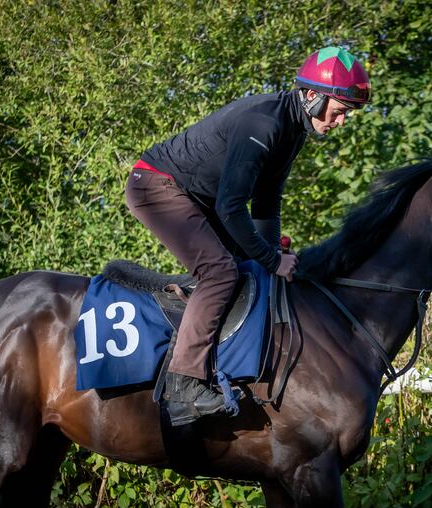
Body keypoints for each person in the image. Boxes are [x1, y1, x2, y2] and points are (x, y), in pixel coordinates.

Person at [125, 46, 371, 426]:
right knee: (221, 271)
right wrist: (272, 259)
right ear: (312, 96)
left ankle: (224, 363)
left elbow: (267, 203)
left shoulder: (293, 130)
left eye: (347, 114)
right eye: (339, 111)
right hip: (156, 185)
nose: (341, 122)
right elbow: (231, 207)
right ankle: (183, 385)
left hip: (197, 196)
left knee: (247, 268)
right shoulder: (264, 124)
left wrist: (271, 259)